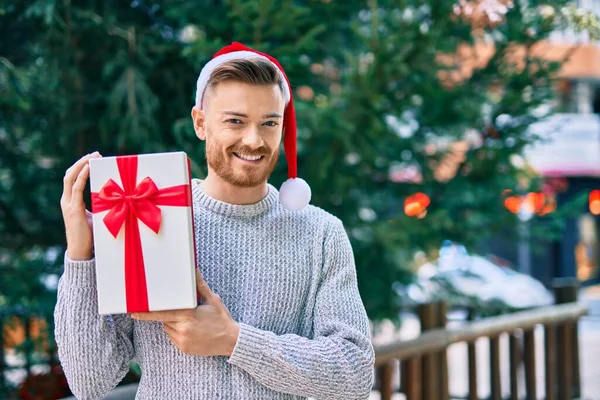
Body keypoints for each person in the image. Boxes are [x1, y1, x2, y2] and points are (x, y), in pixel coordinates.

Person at [55, 42, 375, 400]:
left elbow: (355, 373)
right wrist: (80, 256)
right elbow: (89, 381)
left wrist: (234, 340)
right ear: (201, 123)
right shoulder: (148, 212)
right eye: (235, 121)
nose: (254, 140)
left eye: (269, 123)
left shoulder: (321, 233)